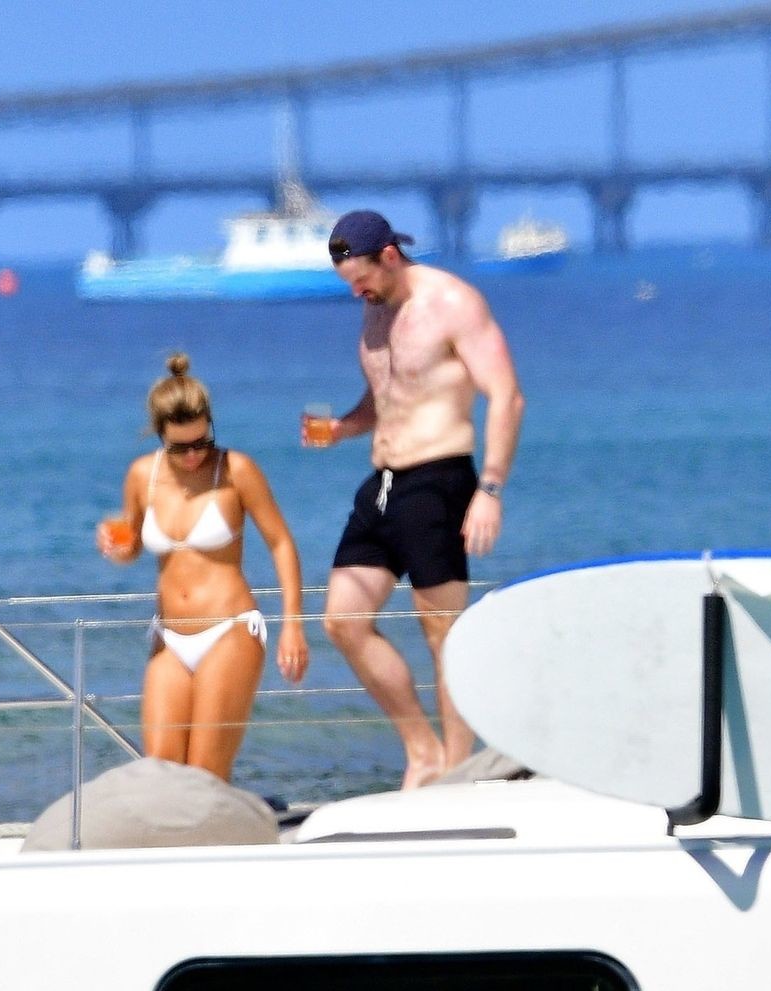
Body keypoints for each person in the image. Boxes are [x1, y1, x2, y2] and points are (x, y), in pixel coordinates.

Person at [305, 209, 525, 789]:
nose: (357, 293)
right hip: (382, 484)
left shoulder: (453, 303)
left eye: (362, 279)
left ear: (390, 256)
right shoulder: (374, 308)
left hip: (439, 480)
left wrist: (490, 489)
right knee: (343, 620)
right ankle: (422, 751)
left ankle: (457, 771)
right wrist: (342, 428)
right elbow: (386, 397)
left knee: (442, 632)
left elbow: (506, 395)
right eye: (349, 283)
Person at [97, 353, 309, 781]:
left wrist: (293, 624)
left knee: (205, 773)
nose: (193, 455)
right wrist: (118, 549)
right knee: (160, 772)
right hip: (169, 637)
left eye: (202, 442)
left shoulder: (236, 470)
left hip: (229, 629)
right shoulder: (141, 476)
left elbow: (281, 543)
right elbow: (133, 545)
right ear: (159, 434)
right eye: (180, 447)